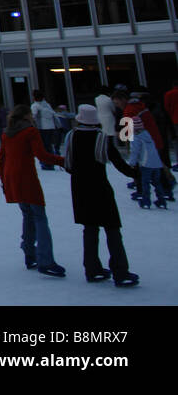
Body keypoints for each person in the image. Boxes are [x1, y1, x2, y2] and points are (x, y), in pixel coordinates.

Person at [63, 105, 139, 287]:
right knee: (112, 230)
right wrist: (135, 174)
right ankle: (120, 271)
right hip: (100, 188)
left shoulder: (71, 137)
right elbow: (118, 162)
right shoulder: (101, 138)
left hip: (80, 189)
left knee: (90, 230)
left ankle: (92, 268)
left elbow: (68, 165)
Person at [0, 104, 66, 277]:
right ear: (27, 116)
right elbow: (42, 156)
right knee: (40, 217)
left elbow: (1, 159)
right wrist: (64, 161)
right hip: (27, 177)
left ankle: (29, 252)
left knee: (28, 215)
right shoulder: (30, 132)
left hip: (11, 177)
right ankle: (46, 259)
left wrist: (4, 181)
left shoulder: (7, 133)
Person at [30, 90, 60, 168]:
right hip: (51, 127)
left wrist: (32, 126)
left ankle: (45, 162)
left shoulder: (35, 106)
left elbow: (33, 117)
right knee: (49, 145)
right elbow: (54, 115)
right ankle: (51, 162)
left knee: (43, 146)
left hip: (41, 128)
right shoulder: (47, 105)